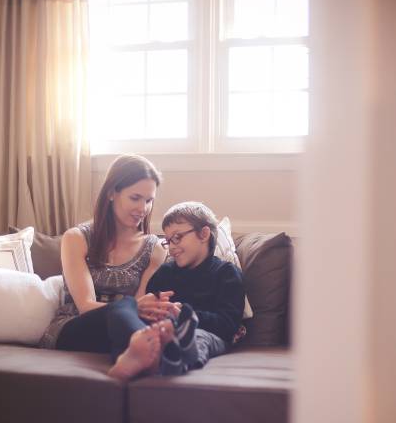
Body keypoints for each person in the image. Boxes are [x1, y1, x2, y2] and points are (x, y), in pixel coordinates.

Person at [38, 154, 182, 380]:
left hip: (121, 330)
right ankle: (149, 350)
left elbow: (143, 307)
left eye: (149, 200)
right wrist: (134, 306)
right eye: (135, 198)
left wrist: (158, 308)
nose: (143, 208)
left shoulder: (154, 248)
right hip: (74, 327)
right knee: (124, 307)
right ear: (111, 193)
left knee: (154, 317)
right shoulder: (76, 238)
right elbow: (85, 305)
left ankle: (134, 358)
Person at [146, 201, 246, 374]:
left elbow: (228, 324)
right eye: (168, 241)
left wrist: (187, 316)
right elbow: (149, 306)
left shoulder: (226, 273)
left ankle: (182, 360)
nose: (171, 247)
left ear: (204, 233)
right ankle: (161, 353)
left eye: (177, 237)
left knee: (198, 338)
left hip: (209, 334)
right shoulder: (165, 272)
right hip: (167, 329)